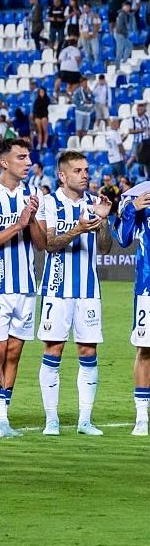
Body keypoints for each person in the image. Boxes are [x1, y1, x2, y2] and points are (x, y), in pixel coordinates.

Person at [35, 151, 112, 436]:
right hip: (57, 288)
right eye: (78, 170)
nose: (85, 175)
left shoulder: (94, 203)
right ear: (62, 175)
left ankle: (85, 421)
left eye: (86, 170)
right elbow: (50, 244)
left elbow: (104, 248)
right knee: (53, 350)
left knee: (88, 351)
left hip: (89, 290)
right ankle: (51, 420)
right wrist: (79, 229)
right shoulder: (49, 202)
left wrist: (103, 221)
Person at [0, 139, 42, 438]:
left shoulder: (34, 194)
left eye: (28, 157)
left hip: (26, 286)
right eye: (21, 157)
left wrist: (33, 220)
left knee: (13, 353)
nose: (28, 162)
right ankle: (0, 420)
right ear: (4, 162)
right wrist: (18, 225)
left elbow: (41, 243)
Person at [116, 186, 150, 434]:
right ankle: (141, 416)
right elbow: (123, 239)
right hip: (147, 287)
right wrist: (131, 209)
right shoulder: (139, 197)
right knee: (145, 349)